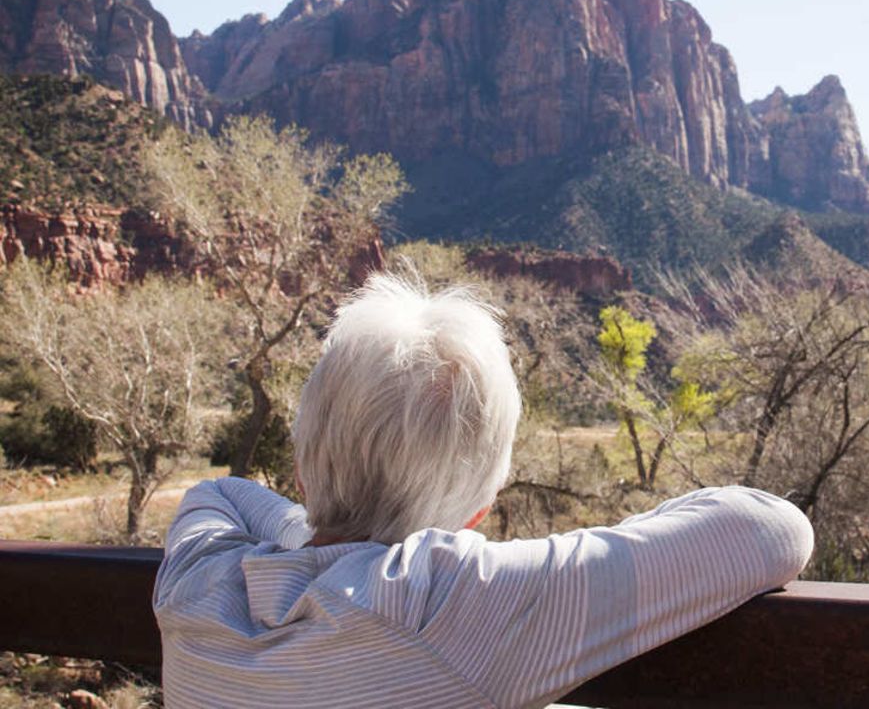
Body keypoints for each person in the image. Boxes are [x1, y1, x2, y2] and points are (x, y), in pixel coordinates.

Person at [153, 274, 814, 708]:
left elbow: (221, 495)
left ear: (301, 466)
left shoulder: (199, 584)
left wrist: (316, 526)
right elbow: (772, 528)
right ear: (479, 511)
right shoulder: (455, 604)